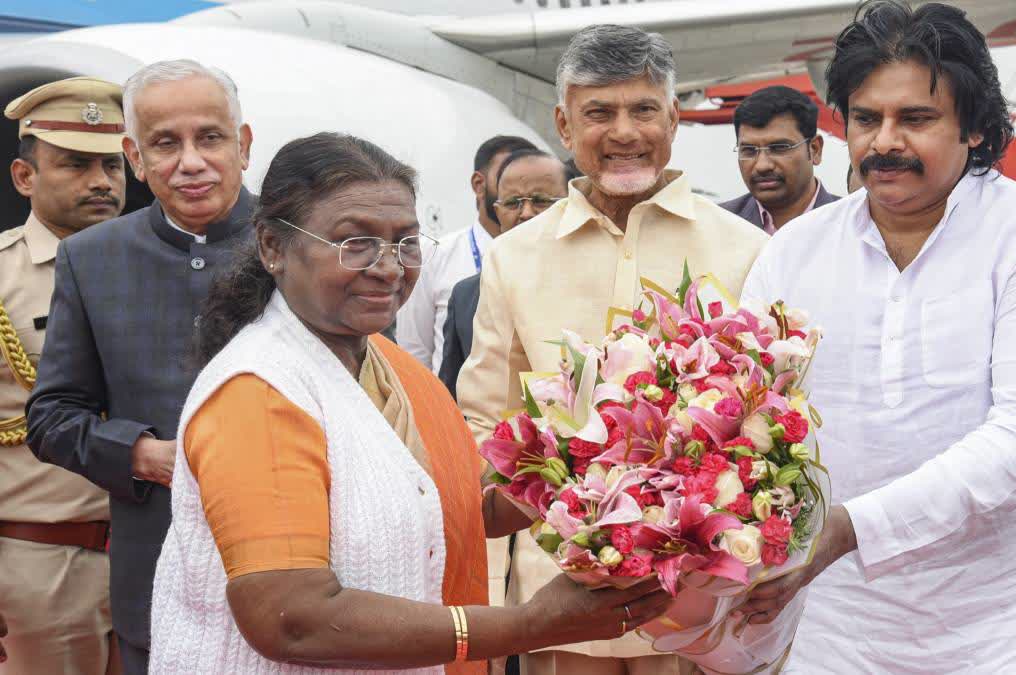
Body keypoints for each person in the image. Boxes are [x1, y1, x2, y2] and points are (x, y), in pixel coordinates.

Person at [148, 131, 670, 673]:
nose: (389, 267)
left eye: (406, 242)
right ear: (273, 248)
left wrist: (609, 450)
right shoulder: (258, 393)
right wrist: (532, 625)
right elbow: (292, 619)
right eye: (356, 243)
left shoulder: (390, 369)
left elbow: (471, 509)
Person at [738, 2, 1016, 671]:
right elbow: (752, 418)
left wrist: (847, 530)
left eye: (915, 118)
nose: (884, 141)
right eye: (865, 118)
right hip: (843, 624)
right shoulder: (792, 252)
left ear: (975, 126)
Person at [458, 24, 767, 675]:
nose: (623, 132)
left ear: (675, 119)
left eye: (643, 110)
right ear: (564, 126)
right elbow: (485, 424)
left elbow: (770, 418)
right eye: (599, 112)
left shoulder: (746, 249)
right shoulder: (514, 256)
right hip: (563, 600)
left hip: (701, 601)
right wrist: (486, 600)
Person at [24, 59, 255, 675]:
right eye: (164, 143)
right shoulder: (92, 259)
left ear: (245, 144)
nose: (190, 161)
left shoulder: (300, 243)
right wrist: (141, 455)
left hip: (297, 577)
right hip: (156, 578)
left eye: (210, 137)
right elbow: (50, 417)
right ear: (134, 156)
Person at [0, 76, 125, 675]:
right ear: (25, 178)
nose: (101, 181)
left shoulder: (165, 270)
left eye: (111, 164)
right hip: (36, 568)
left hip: (153, 555)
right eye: (76, 164)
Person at [394, 135, 537, 373]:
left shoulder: (552, 259)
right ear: (479, 185)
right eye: (506, 177)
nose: (520, 191)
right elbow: (414, 353)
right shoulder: (434, 256)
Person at [439, 149, 570, 399]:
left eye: (541, 200)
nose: (526, 213)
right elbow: (450, 397)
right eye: (512, 203)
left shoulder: (597, 275)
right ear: (497, 212)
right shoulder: (467, 295)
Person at [720, 85, 838, 233]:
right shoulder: (715, 226)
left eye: (779, 148)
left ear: (815, 149)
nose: (762, 165)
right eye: (749, 150)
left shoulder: (856, 224)